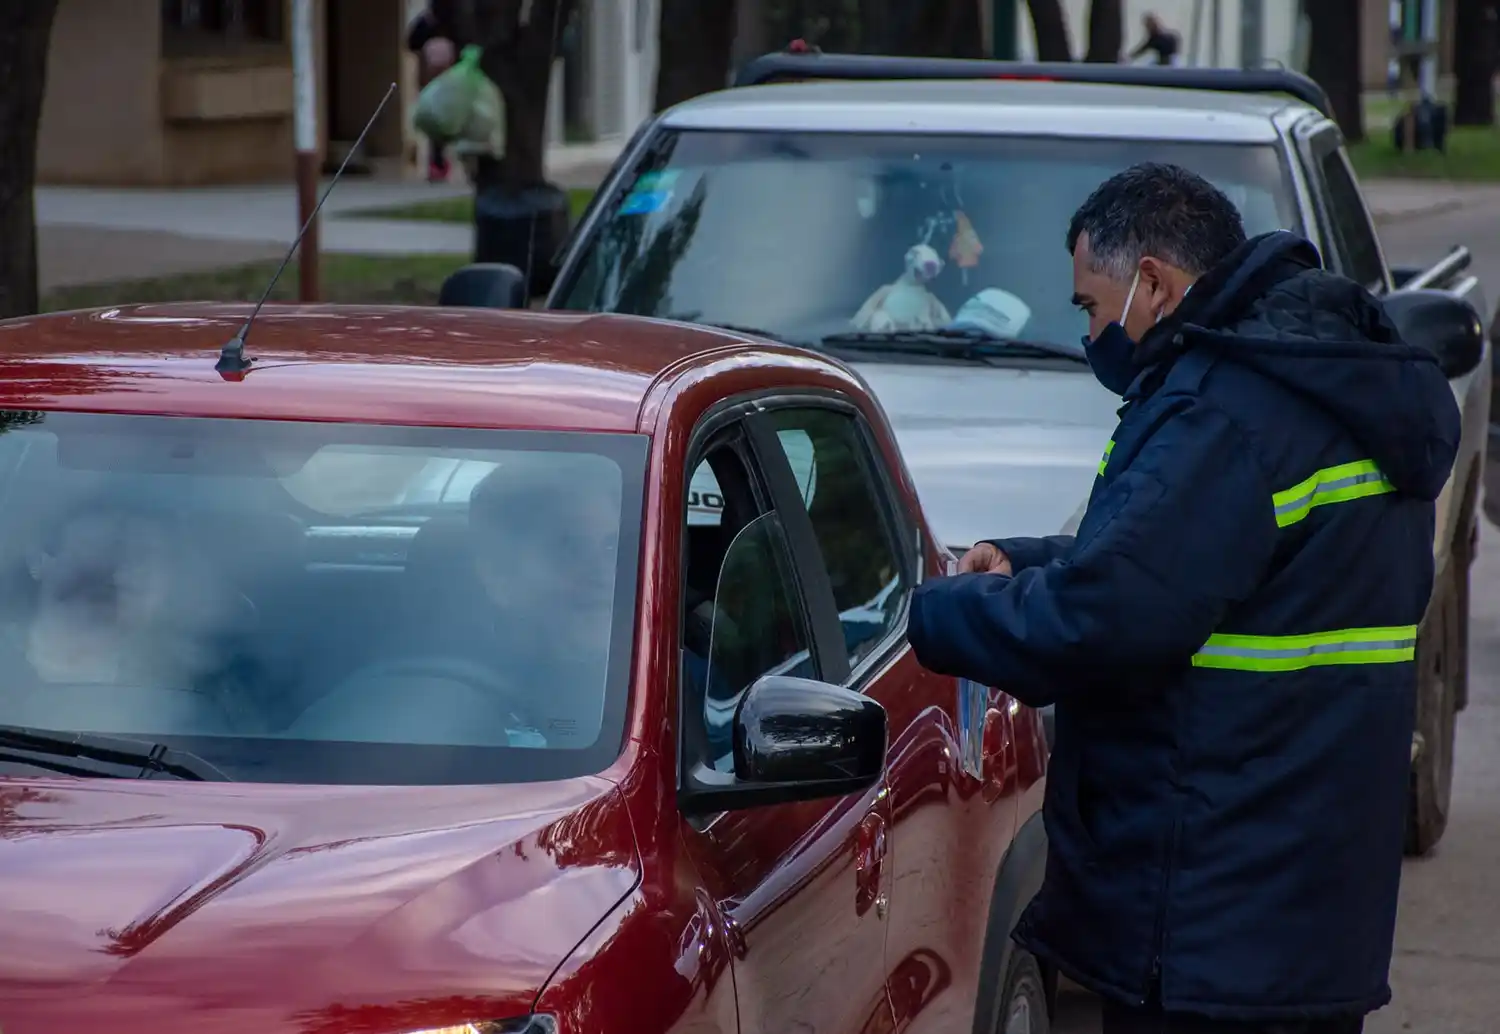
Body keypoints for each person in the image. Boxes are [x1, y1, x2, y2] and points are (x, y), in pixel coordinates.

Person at [905, 163, 1460, 1034]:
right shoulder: (1317, 378)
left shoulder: (1227, 412)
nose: (1091, 332)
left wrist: (932, 613)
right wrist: (1024, 562)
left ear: (1153, 283)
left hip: (1211, 919)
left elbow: (1107, 618)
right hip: (1304, 904)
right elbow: (1206, 566)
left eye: (1092, 306)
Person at [406, 0, 464, 183]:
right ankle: (438, 162)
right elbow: (411, 42)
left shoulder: (454, 23)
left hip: (447, 83)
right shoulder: (430, 24)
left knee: (446, 125)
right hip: (435, 85)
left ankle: (442, 162)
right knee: (437, 125)